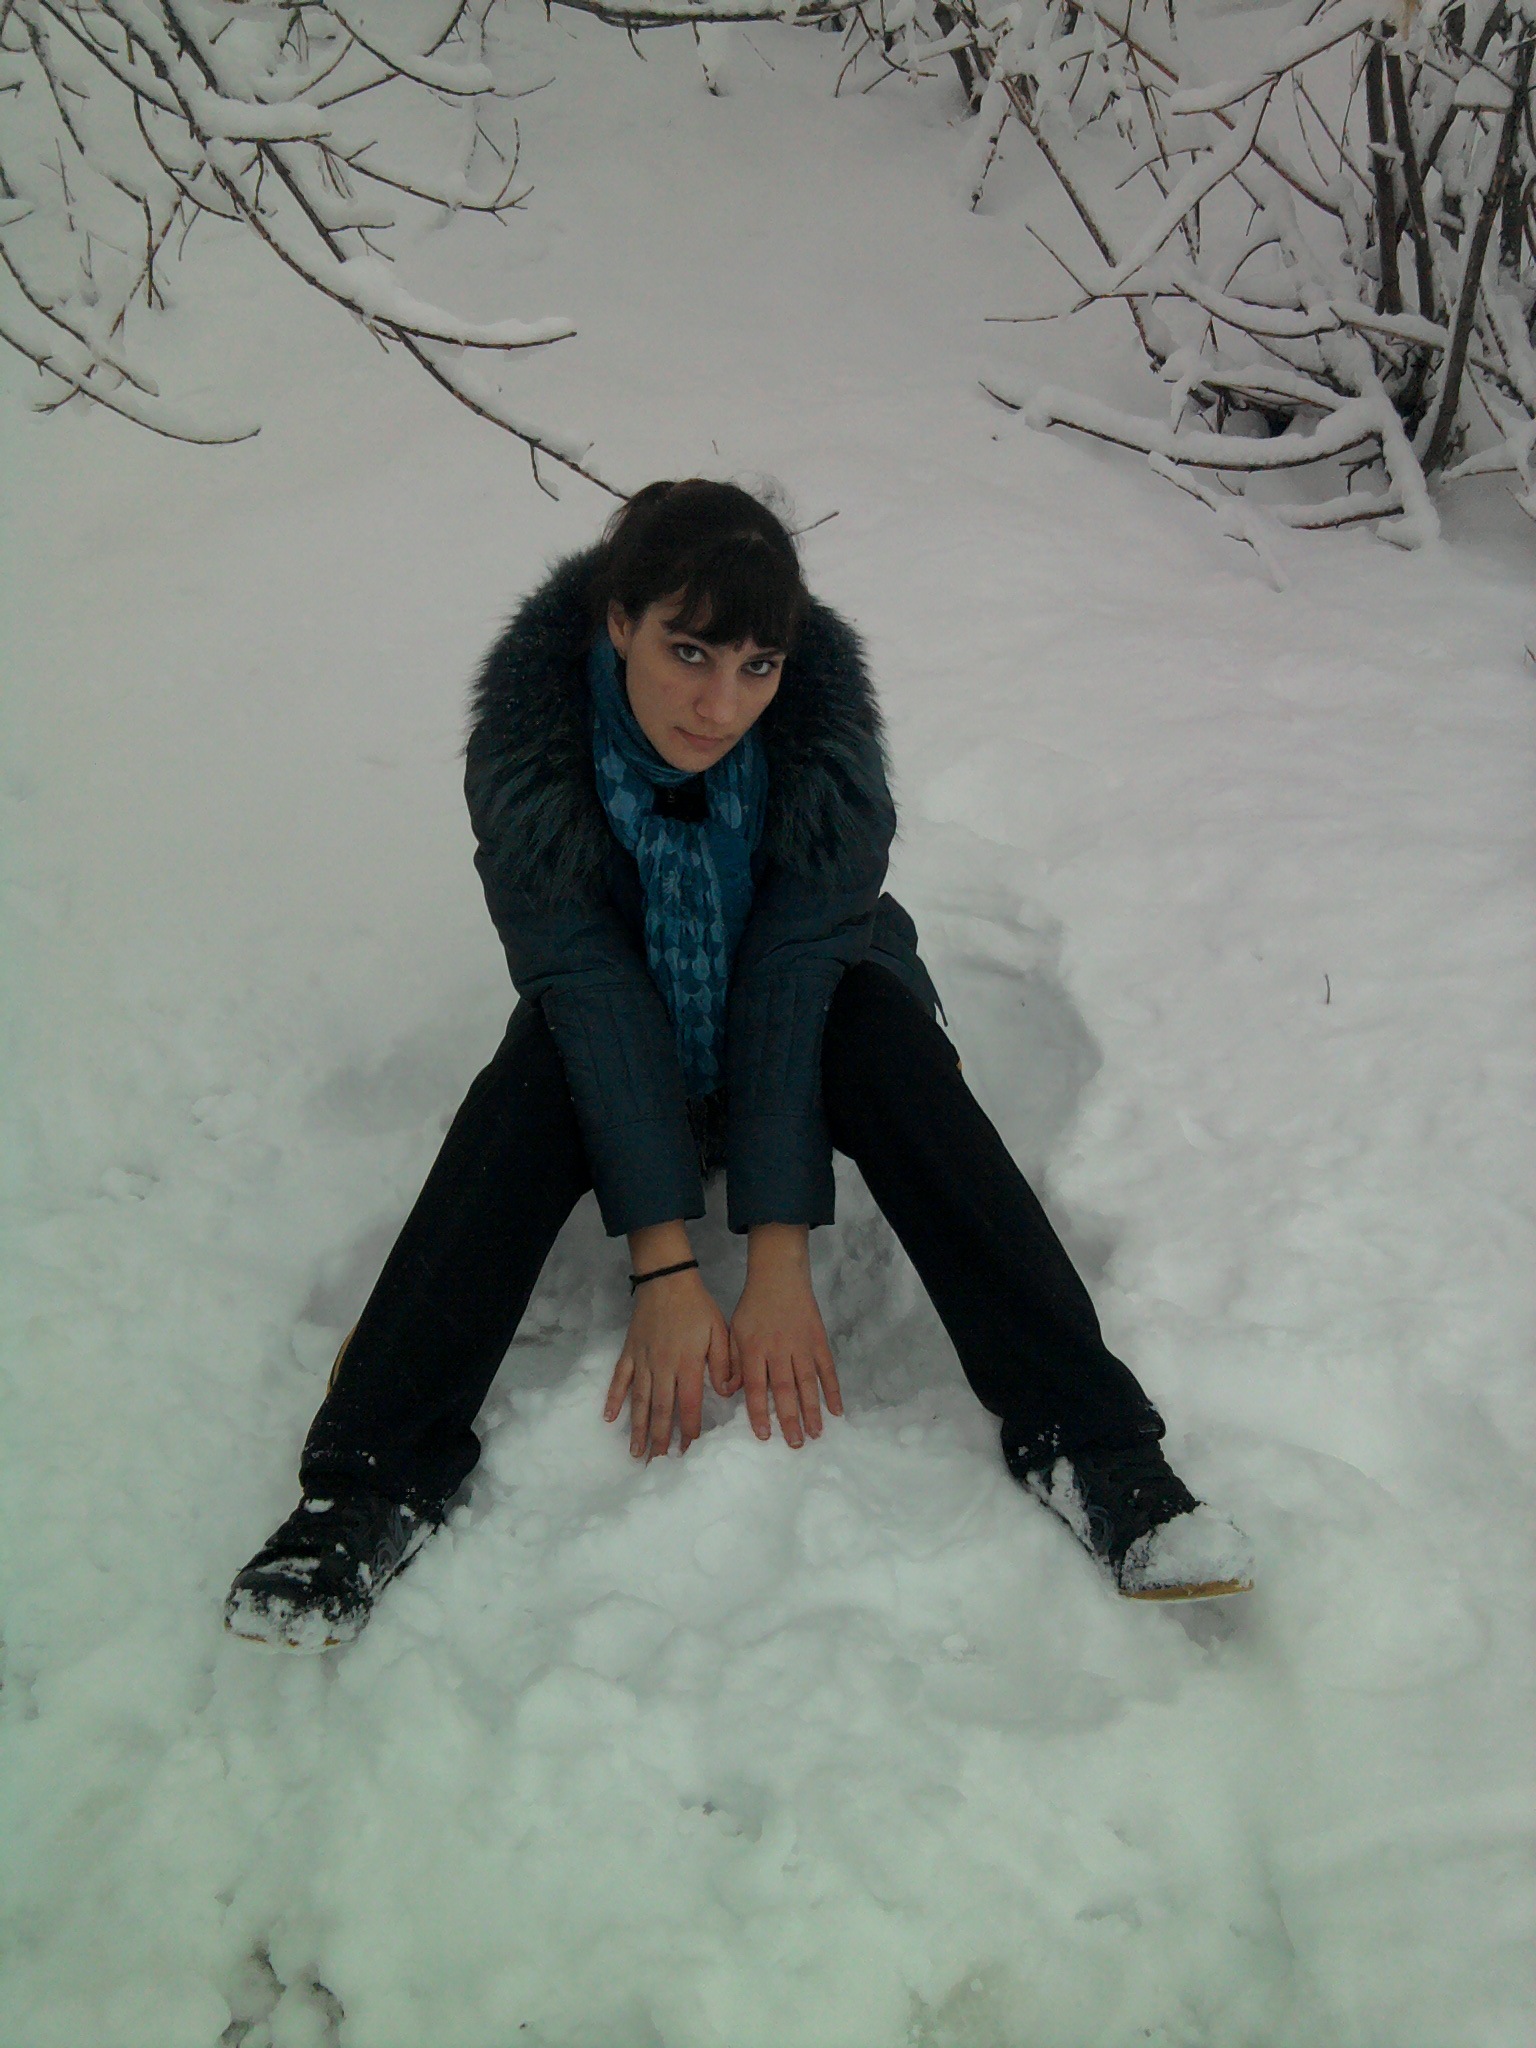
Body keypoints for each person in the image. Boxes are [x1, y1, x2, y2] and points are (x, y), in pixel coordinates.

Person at [225, 481, 1252, 1653]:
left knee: (891, 1046)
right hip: (619, 1016)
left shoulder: (823, 753)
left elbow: (789, 988)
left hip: (813, 1001)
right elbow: (592, 990)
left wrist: (776, 1253)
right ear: (619, 622)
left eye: (758, 664)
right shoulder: (533, 752)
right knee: (530, 1085)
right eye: (690, 651)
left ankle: (1098, 1444)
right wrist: (666, 1266)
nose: (722, 704)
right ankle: (365, 1480)